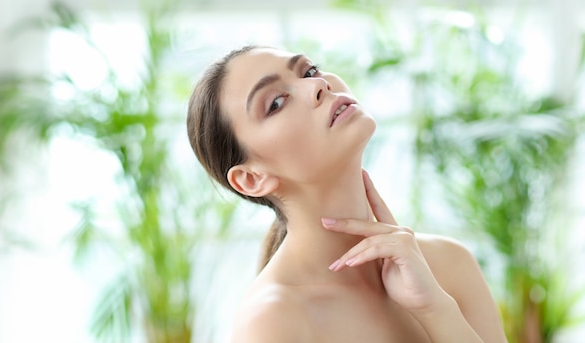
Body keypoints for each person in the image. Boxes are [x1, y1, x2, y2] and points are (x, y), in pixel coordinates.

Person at [187, 45, 507, 342]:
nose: (317, 86)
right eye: (276, 103)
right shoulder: (272, 318)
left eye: (309, 71)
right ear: (252, 179)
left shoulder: (449, 263)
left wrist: (435, 308)